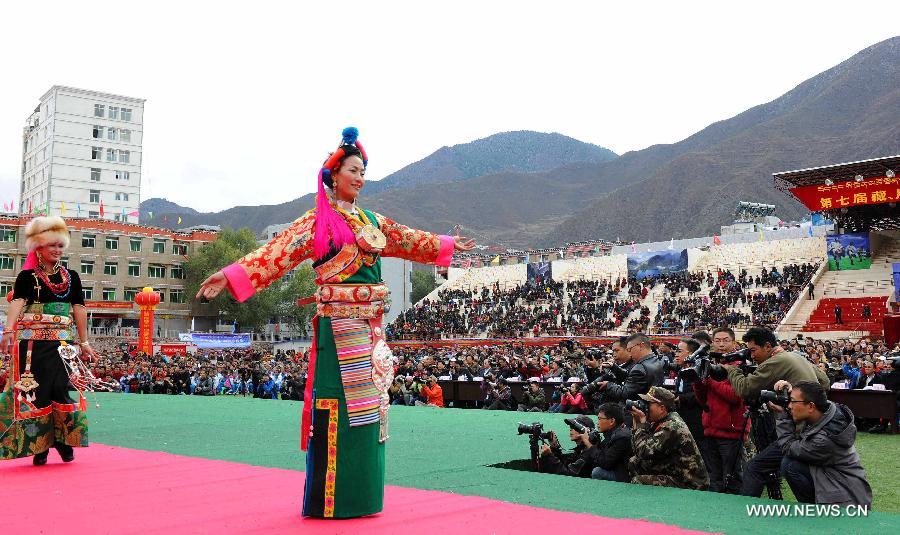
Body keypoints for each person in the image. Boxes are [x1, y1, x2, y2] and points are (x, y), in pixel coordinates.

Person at [196, 127, 474, 519]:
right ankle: (332, 500)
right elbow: (276, 253)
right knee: (341, 410)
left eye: (363, 171)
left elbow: (407, 238)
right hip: (337, 329)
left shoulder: (370, 220)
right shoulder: (318, 221)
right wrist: (229, 276)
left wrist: (445, 246)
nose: (360, 178)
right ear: (334, 175)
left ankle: (364, 497)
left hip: (372, 329)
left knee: (372, 410)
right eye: (353, 170)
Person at [0, 216, 98, 465]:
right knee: (36, 393)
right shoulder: (27, 277)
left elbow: (78, 308)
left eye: (60, 246)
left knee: (60, 390)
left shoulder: (72, 277)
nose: (56, 250)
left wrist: (84, 341)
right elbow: (17, 303)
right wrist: (9, 332)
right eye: (51, 245)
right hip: (32, 347)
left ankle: (65, 442)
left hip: (62, 347)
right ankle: (39, 445)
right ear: (38, 248)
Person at [724, 327, 831, 498]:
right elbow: (824, 382)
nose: (751, 356)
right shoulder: (795, 356)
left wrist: (730, 370)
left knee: (755, 468)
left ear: (767, 346)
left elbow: (745, 389)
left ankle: (744, 517)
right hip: (816, 428)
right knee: (790, 467)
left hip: (799, 431)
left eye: (753, 350)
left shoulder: (775, 362)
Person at [771, 381, 872, 506]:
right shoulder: (828, 411)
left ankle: (814, 512)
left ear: (811, 407)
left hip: (848, 502)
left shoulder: (823, 440)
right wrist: (791, 391)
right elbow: (807, 397)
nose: (789, 406)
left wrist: (782, 416)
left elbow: (788, 447)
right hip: (850, 489)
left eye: (792, 401)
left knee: (790, 465)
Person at [694, 327, 748, 494]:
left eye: (725, 340)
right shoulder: (710, 363)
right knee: (714, 477)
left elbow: (735, 396)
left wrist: (709, 380)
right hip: (711, 428)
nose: (721, 344)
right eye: (717, 340)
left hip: (731, 431)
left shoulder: (740, 365)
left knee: (734, 477)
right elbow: (702, 400)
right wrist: (698, 381)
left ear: (733, 342)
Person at [628, 386, 709, 490]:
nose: (646, 407)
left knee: (638, 481)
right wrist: (637, 422)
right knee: (634, 462)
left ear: (662, 408)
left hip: (689, 482)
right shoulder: (661, 420)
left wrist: (642, 424)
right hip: (673, 471)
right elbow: (637, 451)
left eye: (649, 404)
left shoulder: (672, 426)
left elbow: (644, 452)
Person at [596, 334, 664, 402]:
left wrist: (608, 385)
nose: (630, 354)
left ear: (641, 346)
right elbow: (630, 377)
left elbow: (625, 394)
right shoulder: (655, 360)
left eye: (629, 349)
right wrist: (614, 367)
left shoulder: (640, 367)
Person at [587, 403, 632, 482]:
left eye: (600, 419)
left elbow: (605, 463)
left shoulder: (622, 437)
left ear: (612, 421)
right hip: (616, 470)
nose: (597, 422)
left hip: (625, 478)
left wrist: (589, 444)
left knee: (598, 472)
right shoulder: (614, 433)